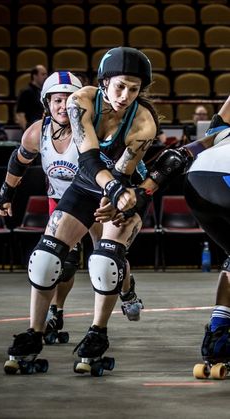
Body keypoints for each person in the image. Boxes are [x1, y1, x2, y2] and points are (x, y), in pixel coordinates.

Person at [0, 47, 158, 373]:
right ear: (104, 82)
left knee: (105, 259)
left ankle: (97, 333)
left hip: (124, 189)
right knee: (45, 258)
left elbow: (123, 171)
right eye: (119, 86)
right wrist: (5, 192)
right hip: (86, 183)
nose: (125, 96)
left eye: (134, 89)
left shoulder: (144, 124)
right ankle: (34, 333)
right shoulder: (80, 100)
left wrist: (117, 196)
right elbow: (87, 158)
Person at [137, 96, 230, 377]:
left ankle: (218, 333)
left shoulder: (220, 128)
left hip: (199, 180)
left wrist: (144, 191)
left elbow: (188, 149)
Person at [15, 65, 48, 131]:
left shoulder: (45, 92)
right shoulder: (26, 92)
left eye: (46, 74)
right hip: (33, 128)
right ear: (34, 76)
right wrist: (27, 131)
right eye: (43, 74)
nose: (45, 77)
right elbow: (20, 114)